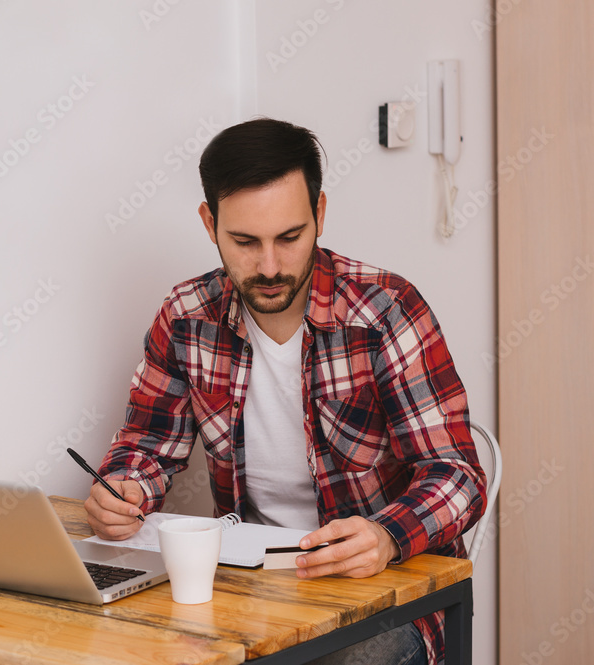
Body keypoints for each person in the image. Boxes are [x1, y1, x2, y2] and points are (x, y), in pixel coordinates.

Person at [84, 118, 486, 665]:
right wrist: (123, 489)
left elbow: (458, 473)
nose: (269, 267)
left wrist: (387, 536)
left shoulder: (385, 310)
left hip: (382, 591)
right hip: (252, 586)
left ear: (320, 215)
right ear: (210, 224)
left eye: (290, 237)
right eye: (245, 241)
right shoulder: (185, 317)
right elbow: (146, 443)